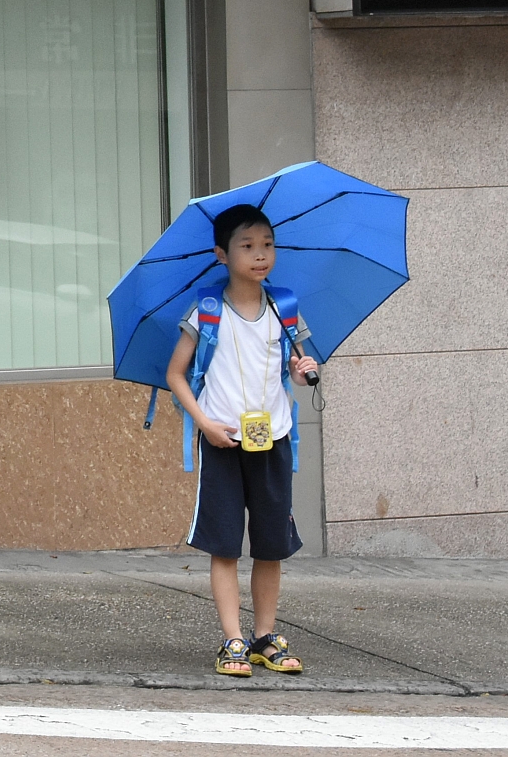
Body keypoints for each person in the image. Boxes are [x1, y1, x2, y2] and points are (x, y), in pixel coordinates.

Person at [166, 204, 322, 677]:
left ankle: (264, 640)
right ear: (221, 254)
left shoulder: (285, 308)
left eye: (268, 245)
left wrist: (302, 371)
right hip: (222, 443)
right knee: (225, 545)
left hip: (272, 439)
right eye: (248, 246)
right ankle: (233, 640)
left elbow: (295, 369)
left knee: (271, 545)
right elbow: (176, 375)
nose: (261, 255)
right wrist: (205, 424)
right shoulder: (207, 310)